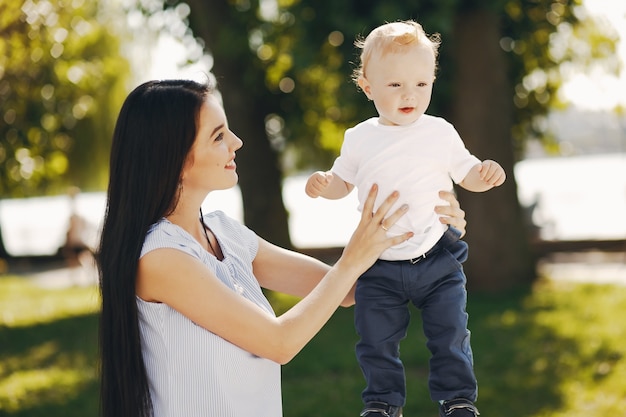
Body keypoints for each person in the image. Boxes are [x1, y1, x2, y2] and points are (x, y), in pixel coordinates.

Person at [96, 79, 468, 417]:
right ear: (174, 159)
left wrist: (431, 232)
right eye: (218, 136)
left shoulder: (225, 233)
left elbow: (349, 291)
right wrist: (351, 259)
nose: (236, 143)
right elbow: (279, 341)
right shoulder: (160, 258)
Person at [305, 20, 506, 417]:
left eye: (420, 84)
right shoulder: (359, 137)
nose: (409, 94)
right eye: (395, 85)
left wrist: (486, 174)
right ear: (367, 87)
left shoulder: (440, 132)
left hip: (436, 256)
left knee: (450, 334)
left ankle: (458, 400)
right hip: (378, 263)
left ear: (432, 80)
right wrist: (323, 185)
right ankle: (382, 403)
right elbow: (343, 182)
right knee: (375, 340)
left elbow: (466, 173)